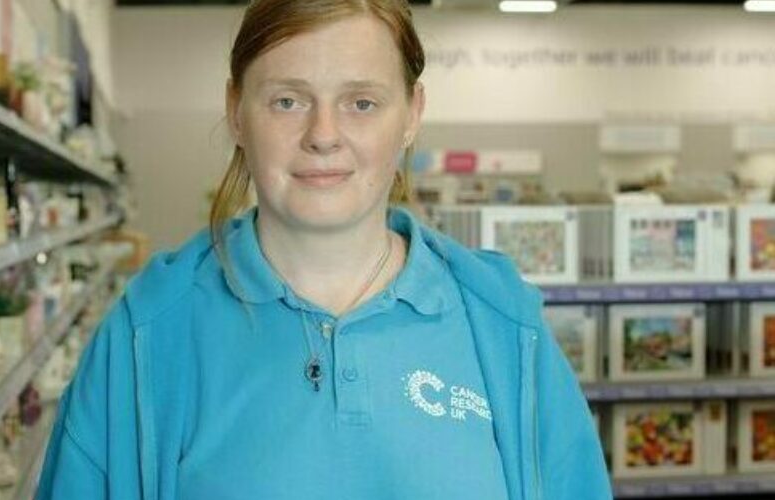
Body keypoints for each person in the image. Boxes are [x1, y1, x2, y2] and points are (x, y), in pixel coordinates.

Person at [36, 1, 611, 499]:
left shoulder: (504, 326)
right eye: (287, 101)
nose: (323, 134)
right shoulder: (147, 335)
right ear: (237, 111)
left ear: (411, 115)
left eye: (361, 102)